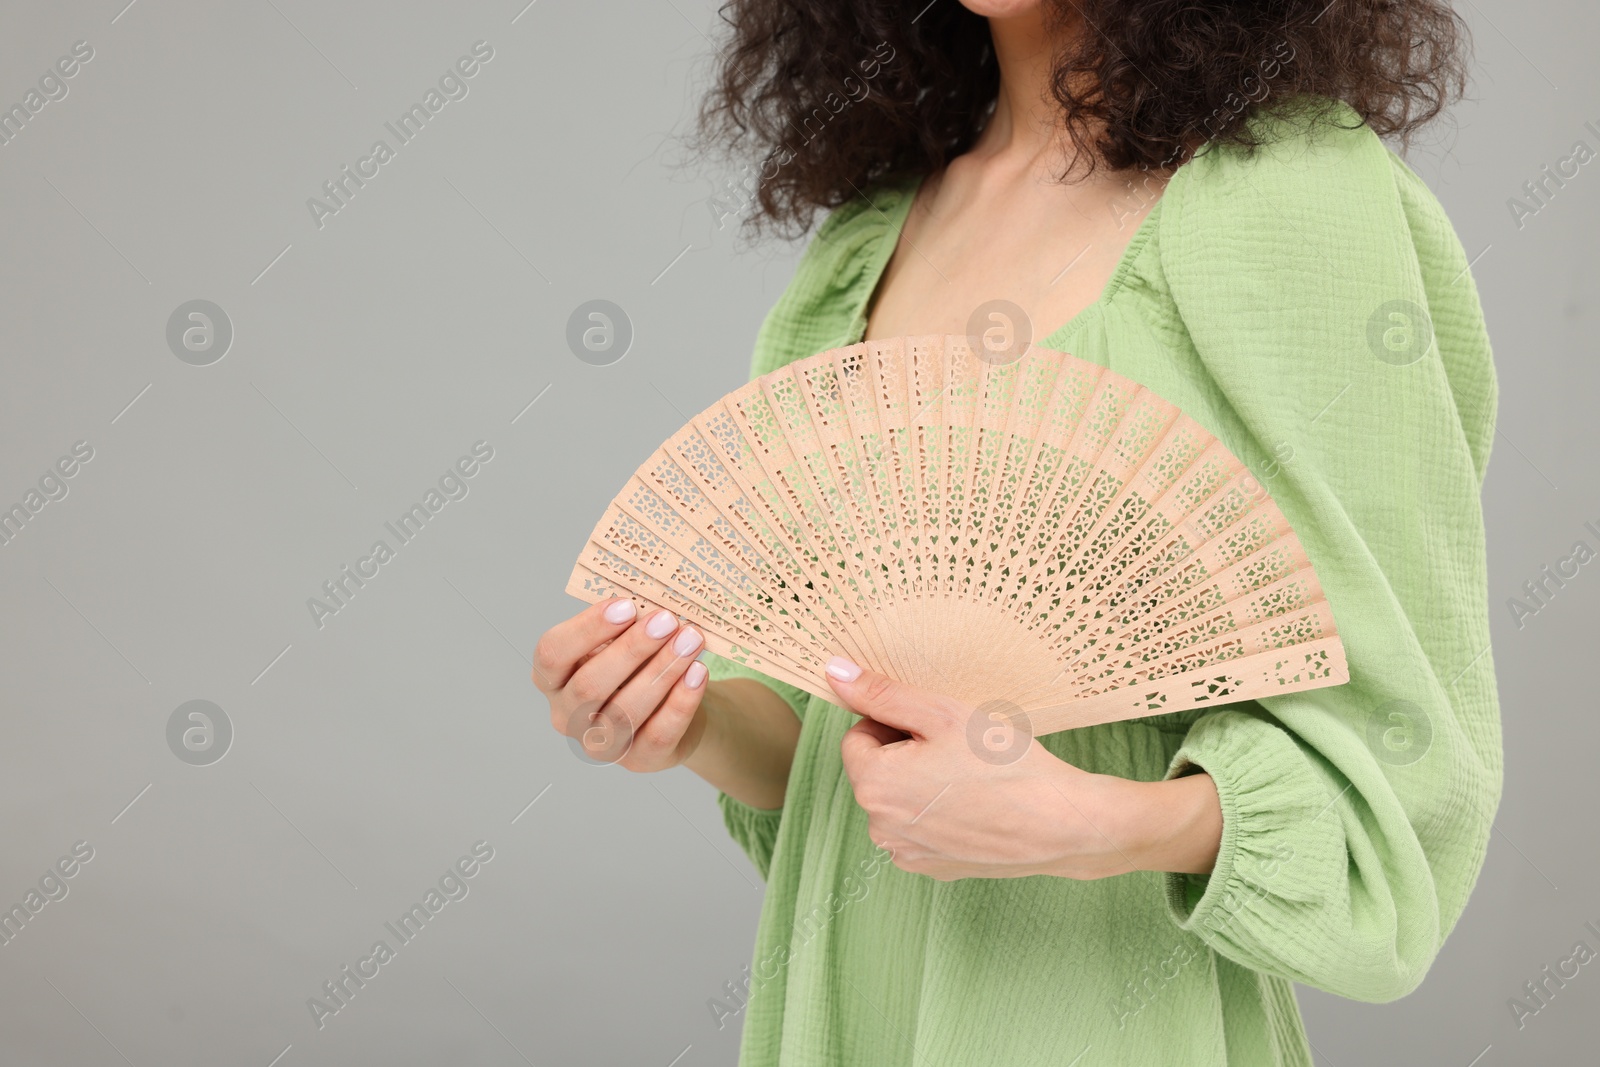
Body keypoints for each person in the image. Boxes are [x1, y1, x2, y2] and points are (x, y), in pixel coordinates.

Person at [535, 1, 1500, 1062]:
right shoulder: (872, 230)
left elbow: (1399, 779)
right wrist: (682, 720)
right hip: (850, 986)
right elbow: (828, 749)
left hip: (1105, 997)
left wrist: (1094, 824)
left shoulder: (1293, 196)